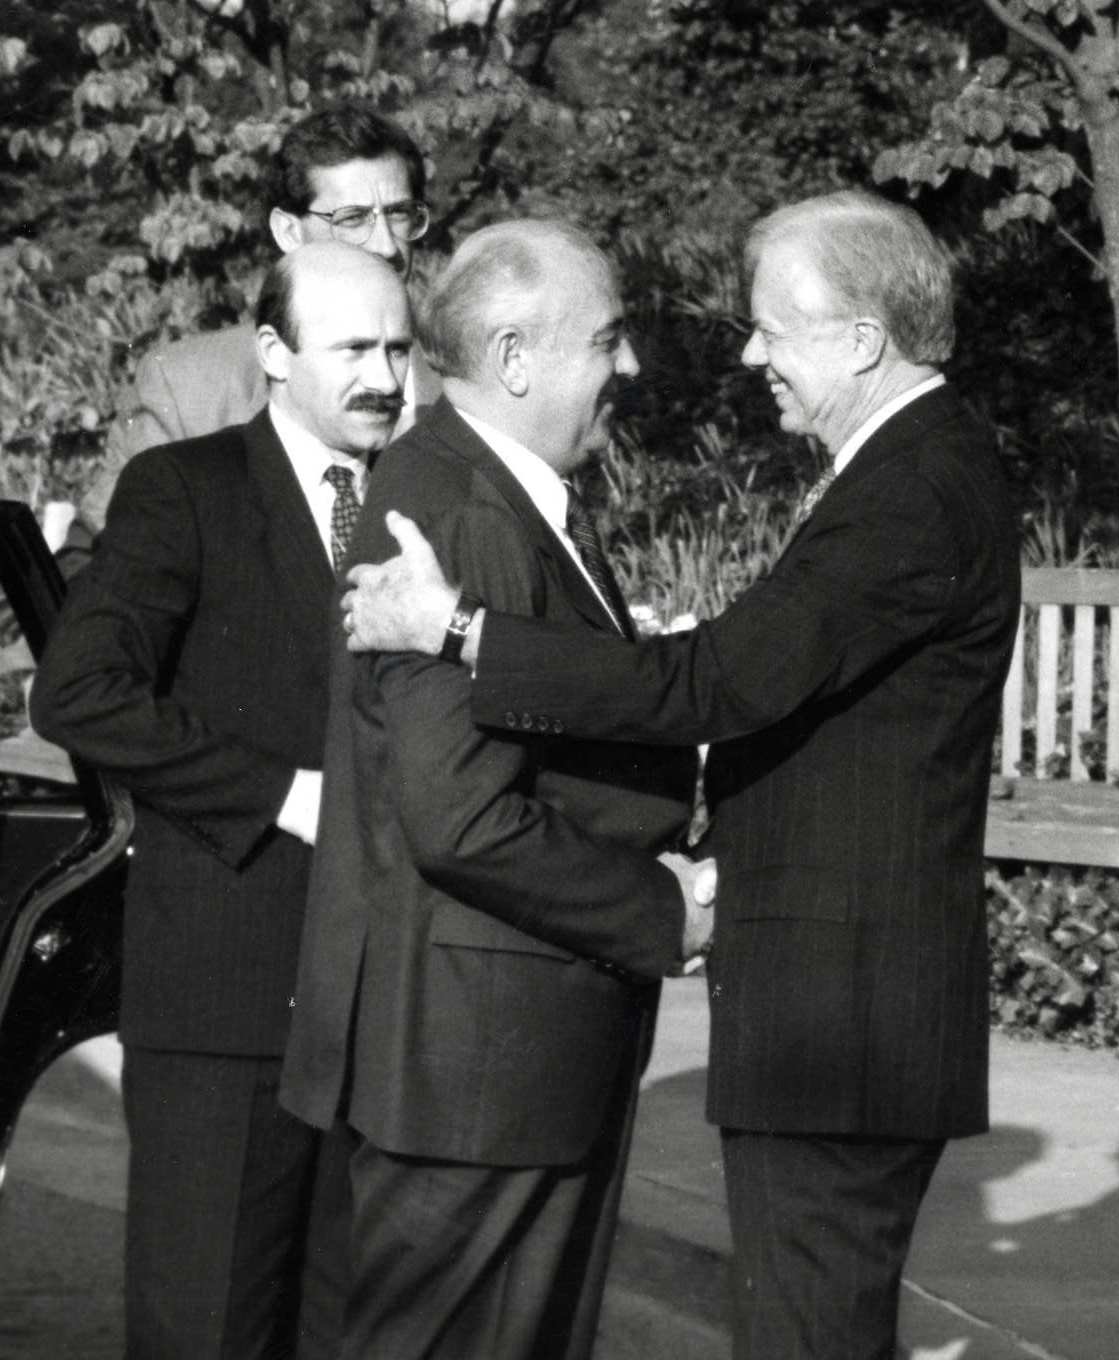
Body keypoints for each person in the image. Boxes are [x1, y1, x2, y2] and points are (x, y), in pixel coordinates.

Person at [337, 189, 1022, 1360]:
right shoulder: (914, 466)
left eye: (769, 328)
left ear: (861, 341)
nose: (747, 354)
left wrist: (464, 635)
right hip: (838, 1014)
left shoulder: (908, 486)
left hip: (841, 1020)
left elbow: (716, 684)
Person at [279, 218, 715, 1360]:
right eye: (610, 340)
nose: (630, 368)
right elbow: (458, 814)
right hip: (480, 1064)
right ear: (517, 359)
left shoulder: (489, 489)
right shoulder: (466, 508)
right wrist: (665, 906)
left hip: (497, 1054)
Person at [30, 241, 413, 1360]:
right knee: (208, 1329)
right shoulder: (186, 490)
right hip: (224, 1007)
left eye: (397, 346)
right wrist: (283, 795)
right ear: (274, 354)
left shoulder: (422, 501)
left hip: (380, 1012)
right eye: (352, 348)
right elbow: (81, 693)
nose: (382, 374)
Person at [77, 101, 439, 535]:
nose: (385, 245)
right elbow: (101, 558)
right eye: (353, 218)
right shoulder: (189, 390)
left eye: (399, 214)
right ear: (288, 232)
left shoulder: (466, 378)